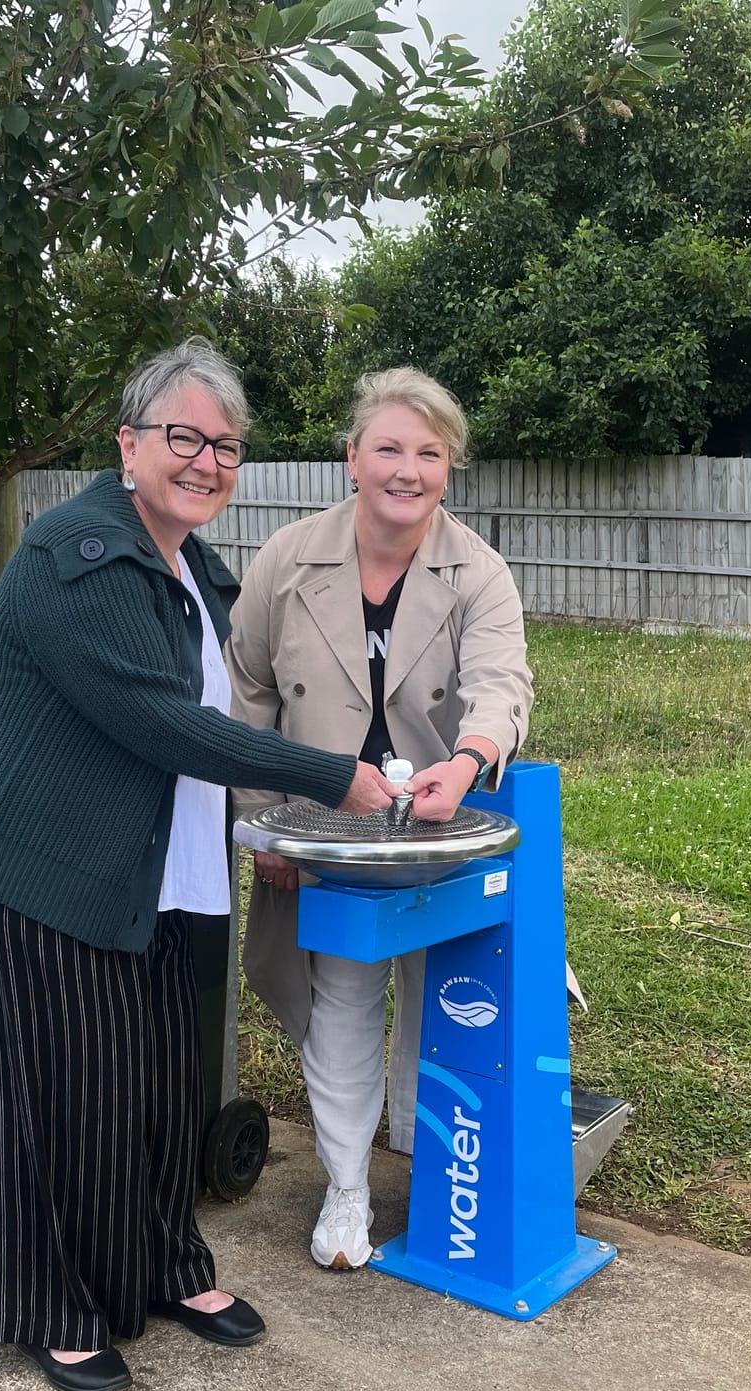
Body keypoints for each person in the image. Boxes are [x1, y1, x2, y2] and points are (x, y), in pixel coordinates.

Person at [0, 338, 398, 1391]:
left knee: (149, 1085)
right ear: (128, 443)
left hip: (152, 869)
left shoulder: (190, 566)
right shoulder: (71, 552)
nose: (205, 461)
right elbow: (160, 723)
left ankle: (161, 1268)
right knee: (52, 1095)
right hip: (31, 865)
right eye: (183, 437)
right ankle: (50, 1306)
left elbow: (221, 713)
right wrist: (337, 777)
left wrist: (270, 823)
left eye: (224, 446)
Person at [229, 367, 533, 1271]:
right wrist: (262, 823)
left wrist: (470, 760)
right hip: (319, 827)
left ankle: (430, 1168)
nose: (408, 470)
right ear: (353, 456)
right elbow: (244, 691)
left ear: (450, 469)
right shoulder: (286, 559)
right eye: (389, 448)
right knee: (342, 998)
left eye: (429, 453)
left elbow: (501, 684)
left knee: (441, 996)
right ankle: (348, 1189)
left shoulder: (479, 571)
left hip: (438, 823)